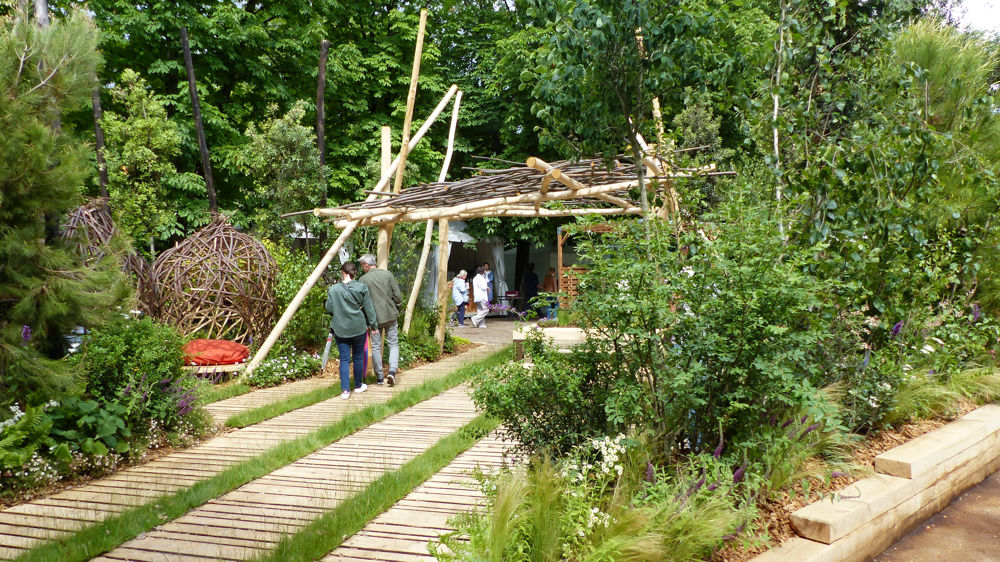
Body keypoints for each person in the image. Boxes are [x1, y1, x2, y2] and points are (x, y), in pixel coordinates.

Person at [325, 261, 377, 400]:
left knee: (344, 359)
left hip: (340, 329)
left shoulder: (333, 289)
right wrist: (373, 326)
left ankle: (345, 391)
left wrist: (340, 313)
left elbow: (329, 308)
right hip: (358, 328)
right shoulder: (361, 288)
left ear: (343, 272)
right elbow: (369, 308)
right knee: (358, 357)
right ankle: (358, 386)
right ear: (354, 273)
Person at [358, 253, 403, 387]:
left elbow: (361, 301)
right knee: (393, 344)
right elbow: (398, 296)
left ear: (366, 265)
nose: (362, 268)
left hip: (374, 319)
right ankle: (392, 372)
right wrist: (397, 309)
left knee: (376, 347)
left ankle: (379, 376)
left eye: (362, 265)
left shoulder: (363, 280)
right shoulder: (387, 275)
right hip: (390, 315)